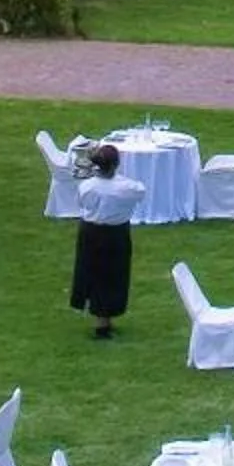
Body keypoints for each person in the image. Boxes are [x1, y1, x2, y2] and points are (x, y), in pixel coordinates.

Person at [71, 140, 146, 340]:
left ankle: (103, 319)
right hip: (116, 235)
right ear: (116, 164)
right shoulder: (128, 187)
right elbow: (140, 192)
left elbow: (82, 202)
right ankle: (102, 324)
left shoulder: (87, 186)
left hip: (90, 233)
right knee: (113, 277)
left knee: (94, 274)